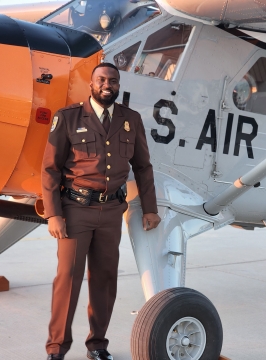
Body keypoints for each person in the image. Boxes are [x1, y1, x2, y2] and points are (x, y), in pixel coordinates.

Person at [41, 62, 161, 360]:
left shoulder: (130, 119)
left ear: (119, 85)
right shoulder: (68, 118)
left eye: (113, 80)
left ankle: (97, 345)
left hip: (111, 213)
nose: (108, 85)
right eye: (102, 80)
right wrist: (53, 214)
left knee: (105, 279)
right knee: (67, 278)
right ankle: (57, 348)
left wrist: (150, 209)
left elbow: (143, 167)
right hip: (74, 210)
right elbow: (50, 169)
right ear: (91, 84)